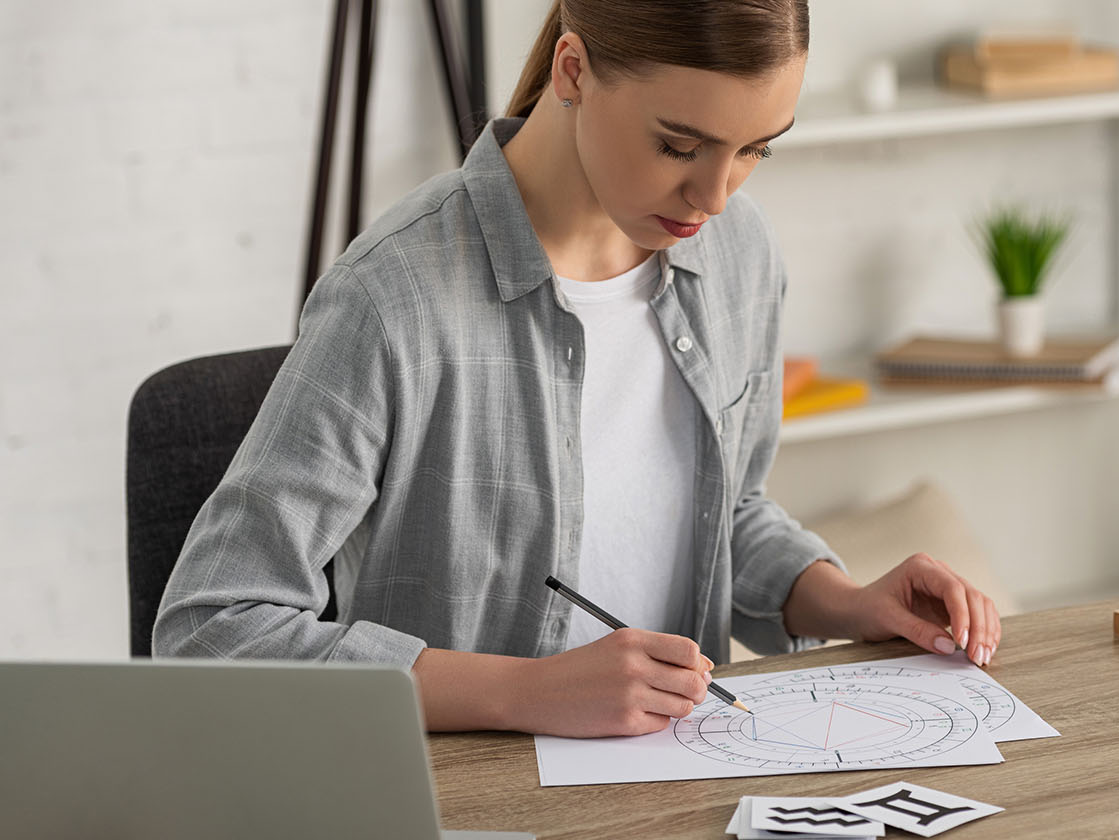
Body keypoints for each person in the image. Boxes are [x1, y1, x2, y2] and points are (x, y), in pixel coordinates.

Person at [154, 0, 1001, 738]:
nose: (715, 196)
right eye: (681, 144)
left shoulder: (739, 254)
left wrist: (845, 600)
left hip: (681, 783)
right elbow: (212, 631)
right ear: (573, 69)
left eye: (755, 151)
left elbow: (726, 512)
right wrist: (530, 691)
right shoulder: (393, 298)